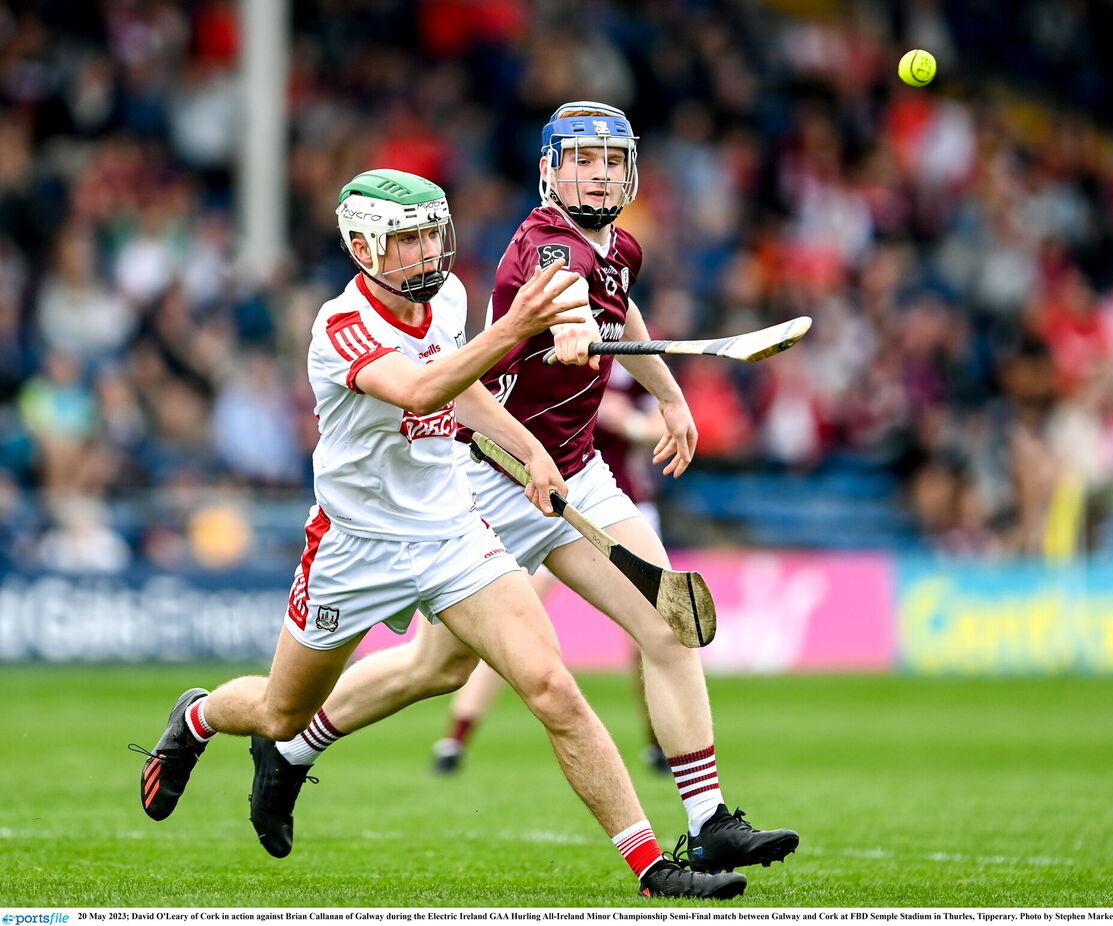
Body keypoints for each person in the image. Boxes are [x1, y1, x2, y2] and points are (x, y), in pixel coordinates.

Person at [132, 168, 746, 901]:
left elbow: (465, 390)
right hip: (354, 548)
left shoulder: (449, 298)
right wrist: (516, 328)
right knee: (279, 710)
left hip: (452, 532)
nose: (427, 253)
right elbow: (423, 389)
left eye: (432, 234)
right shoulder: (341, 327)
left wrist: (531, 452)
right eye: (406, 240)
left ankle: (652, 868)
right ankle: (199, 718)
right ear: (361, 246)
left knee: (551, 687)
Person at [254, 103, 799, 875]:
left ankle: (708, 818)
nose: (599, 173)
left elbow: (617, 302)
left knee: (667, 621)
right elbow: (564, 293)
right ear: (549, 171)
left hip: (574, 470)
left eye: (612, 162)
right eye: (582, 160)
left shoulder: (618, 247)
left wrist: (670, 395)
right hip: (489, 478)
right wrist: (568, 327)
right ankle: (293, 749)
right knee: (435, 670)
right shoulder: (544, 246)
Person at [430, 372, 671, 776]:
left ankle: (660, 743)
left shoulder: (626, 361)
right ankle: (455, 739)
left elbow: (661, 423)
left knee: (648, 632)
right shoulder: (537, 348)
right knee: (509, 626)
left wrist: (625, 421)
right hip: (536, 503)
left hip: (611, 503)